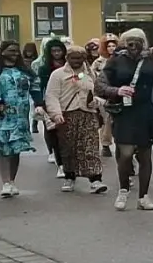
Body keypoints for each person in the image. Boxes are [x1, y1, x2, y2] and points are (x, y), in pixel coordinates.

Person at [94, 28, 153, 211]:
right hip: (125, 111)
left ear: (144, 42)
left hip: (145, 111)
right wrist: (117, 91)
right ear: (124, 43)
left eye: (138, 41)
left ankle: (143, 196)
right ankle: (123, 190)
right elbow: (99, 85)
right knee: (124, 155)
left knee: (145, 156)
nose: (134, 45)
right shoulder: (115, 61)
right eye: (130, 41)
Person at [0, 40, 38, 197]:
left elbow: (36, 89)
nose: (15, 54)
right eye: (11, 51)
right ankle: (5, 182)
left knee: (15, 150)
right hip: (1, 115)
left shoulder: (25, 71)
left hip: (20, 116)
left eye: (16, 51)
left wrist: (39, 105)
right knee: (2, 148)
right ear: (2, 52)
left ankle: (12, 180)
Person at [44, 45, 108, 194]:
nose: (76, 61)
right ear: (67, 58)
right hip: (67, 115)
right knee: (68, 148)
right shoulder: (58, 75)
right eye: (73, 58)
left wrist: (96, 102)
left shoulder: (90, 74)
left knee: (90, 146)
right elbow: (52, 95)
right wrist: (56, 113)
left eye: (80, 58)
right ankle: (69, 176)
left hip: (88, 114)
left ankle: (95, 179)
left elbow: (99, 93)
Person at [33, 38, 68, 176]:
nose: (56, 53)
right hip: (50, 101)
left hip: (69, 100)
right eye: (53, 51)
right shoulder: (44, 68)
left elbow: (82, 78)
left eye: (59, 50)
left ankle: (67, 163)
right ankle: (57, 158)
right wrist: (39, 103)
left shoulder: (70, 66)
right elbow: (39, 86)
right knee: (52, 131)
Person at [91, 36, 115, 156]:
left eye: (113, 46)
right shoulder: (98, 62)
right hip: (103, 94)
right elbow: (91, 77)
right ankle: (105, 144)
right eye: (109, 46)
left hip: (117, 92)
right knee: (107, 119)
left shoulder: (121, 60)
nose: (111, 48)